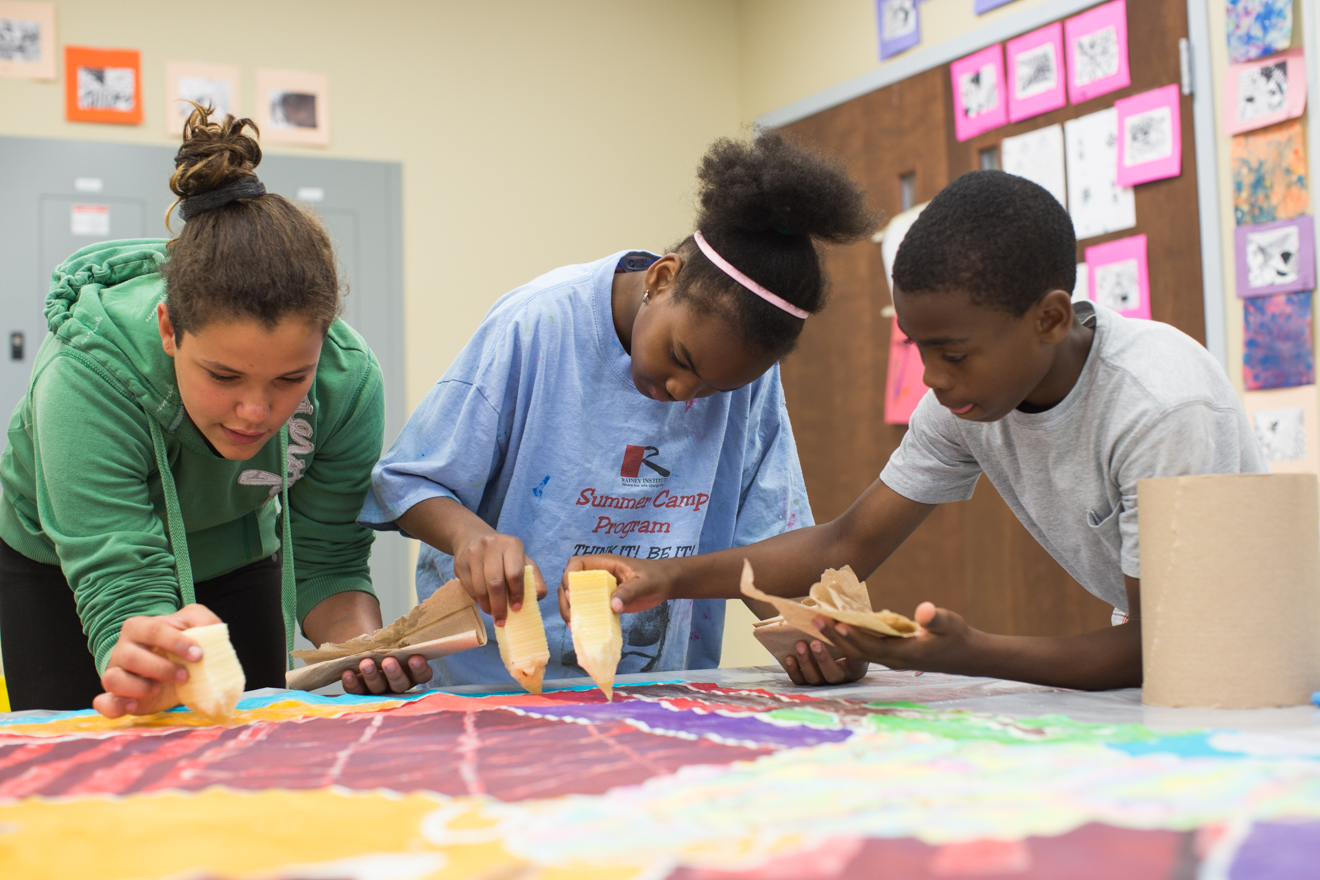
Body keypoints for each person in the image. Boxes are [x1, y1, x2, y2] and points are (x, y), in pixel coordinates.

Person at [565, 170, 1268, 691]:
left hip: (1260, 666)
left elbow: (1165, 646)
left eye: (953, 353)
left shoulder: (1158, 409)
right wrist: (664, 577)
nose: (933, 379)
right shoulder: (966, 402)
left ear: (1050, 320)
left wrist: (963, 651)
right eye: (917, 349)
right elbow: (844, 544)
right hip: (1176, 659)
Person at [360, 133, 876, 686]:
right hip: (490, 686)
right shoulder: (538, 326)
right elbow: (407, 481)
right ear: (662, 278)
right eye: (681, 358)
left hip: (650, 689)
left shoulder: (747, 379)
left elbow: (770, 541)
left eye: (714, 389)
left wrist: (809, 630)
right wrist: (469, 537)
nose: (684, 393)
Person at [0, 106, 431, 715]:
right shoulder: (86, 373)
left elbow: (328, 558)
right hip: (64, 565)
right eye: (223, 375)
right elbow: (116, 572)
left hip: (234, 551)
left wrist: (359, 646)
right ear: (170, 329)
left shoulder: (347, 382)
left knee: (247, 752)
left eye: (291, 378)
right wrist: (144, 653)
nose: (256, 411)